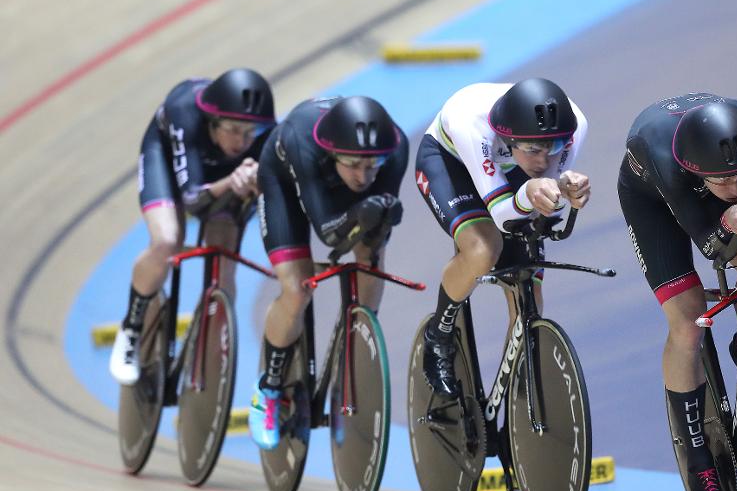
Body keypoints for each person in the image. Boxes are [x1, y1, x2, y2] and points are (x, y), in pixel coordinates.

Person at [617, 93, 737, 491]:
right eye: (724, 181)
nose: (736, 188)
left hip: (706, 180)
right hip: (654, 199)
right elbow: (709, 243)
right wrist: (729, 220)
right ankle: (695, 458)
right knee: (689, 322)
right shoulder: (663, 158)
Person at [248, 96, 408, 449]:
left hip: (339, 196)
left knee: (371, 253)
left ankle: (360, 334)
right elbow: (329, 235)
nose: (364, 176)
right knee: (297, 289)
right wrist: (363, 211)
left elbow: (375, 232)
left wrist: (377, 217)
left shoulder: (395, 148)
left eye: (372, 166)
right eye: (353, 165)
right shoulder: (301, 140)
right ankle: (269, 390)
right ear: (334, 154)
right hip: (284, 187)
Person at [415, 78, 590, 397]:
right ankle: (438, 335)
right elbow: (502, 217)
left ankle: (513, 406)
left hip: (510, 169)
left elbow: (546, 191)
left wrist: (567, 191)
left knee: (530, 300)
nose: (543, 160)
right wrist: (529, 195)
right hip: (451, 163)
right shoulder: (472, 123)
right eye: (535, 150)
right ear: (507, 139)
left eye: (553, 148)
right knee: (484, 248)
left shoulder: (574, 125)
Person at [109, 68, 276, 385]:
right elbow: (193, 201)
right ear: (213, 122)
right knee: (168, 242)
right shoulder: (184, 112)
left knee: (224, 264)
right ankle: (131, 327)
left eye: (249, 132)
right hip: (171, 165)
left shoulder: (267, 135)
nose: (242, 141)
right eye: (233, 130)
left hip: (228, 181)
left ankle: (209, 344)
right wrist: (232, 181)